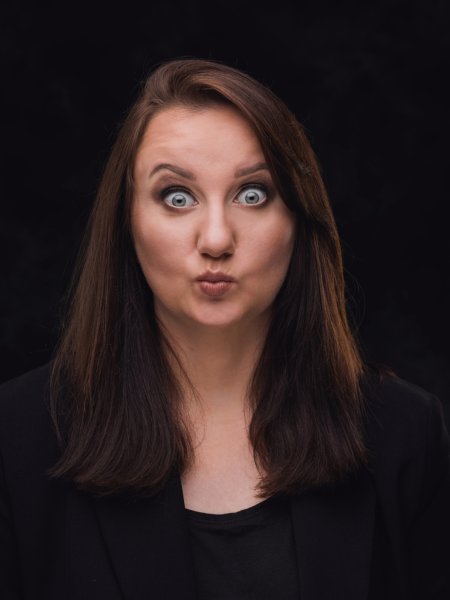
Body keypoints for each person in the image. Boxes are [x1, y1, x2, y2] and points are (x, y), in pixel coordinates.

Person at [0, 58, 449, 600]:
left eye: (252, 194)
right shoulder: (15, 437)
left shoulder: (406, 433)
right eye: (177, 197)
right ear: (126, 222)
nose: (216, 239)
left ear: (298, 220)